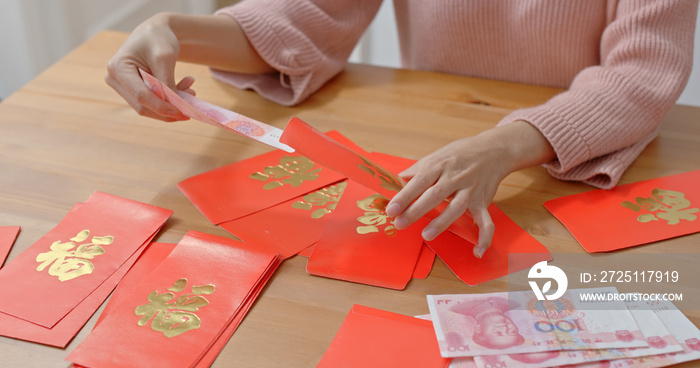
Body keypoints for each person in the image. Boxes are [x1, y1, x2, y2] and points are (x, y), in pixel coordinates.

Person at [105, 0, 698, 258]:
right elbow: (301, 21)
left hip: (562, 168)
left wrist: (503, 144)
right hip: (431, 138)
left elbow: (642, 74)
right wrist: (172, 28)